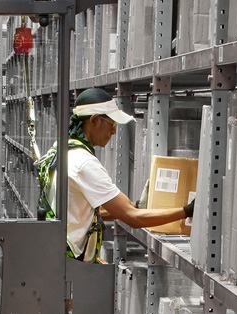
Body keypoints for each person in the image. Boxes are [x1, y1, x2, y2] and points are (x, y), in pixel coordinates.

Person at [37, 88, 194, 263]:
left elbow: (83, 210)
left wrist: (135, 206)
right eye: (111, 125)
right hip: (68, 262)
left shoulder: (62, 150)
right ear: (94, 120)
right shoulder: (84, 163)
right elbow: (132, 219)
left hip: (54, 252)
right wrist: (186, 211)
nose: (113, 132)